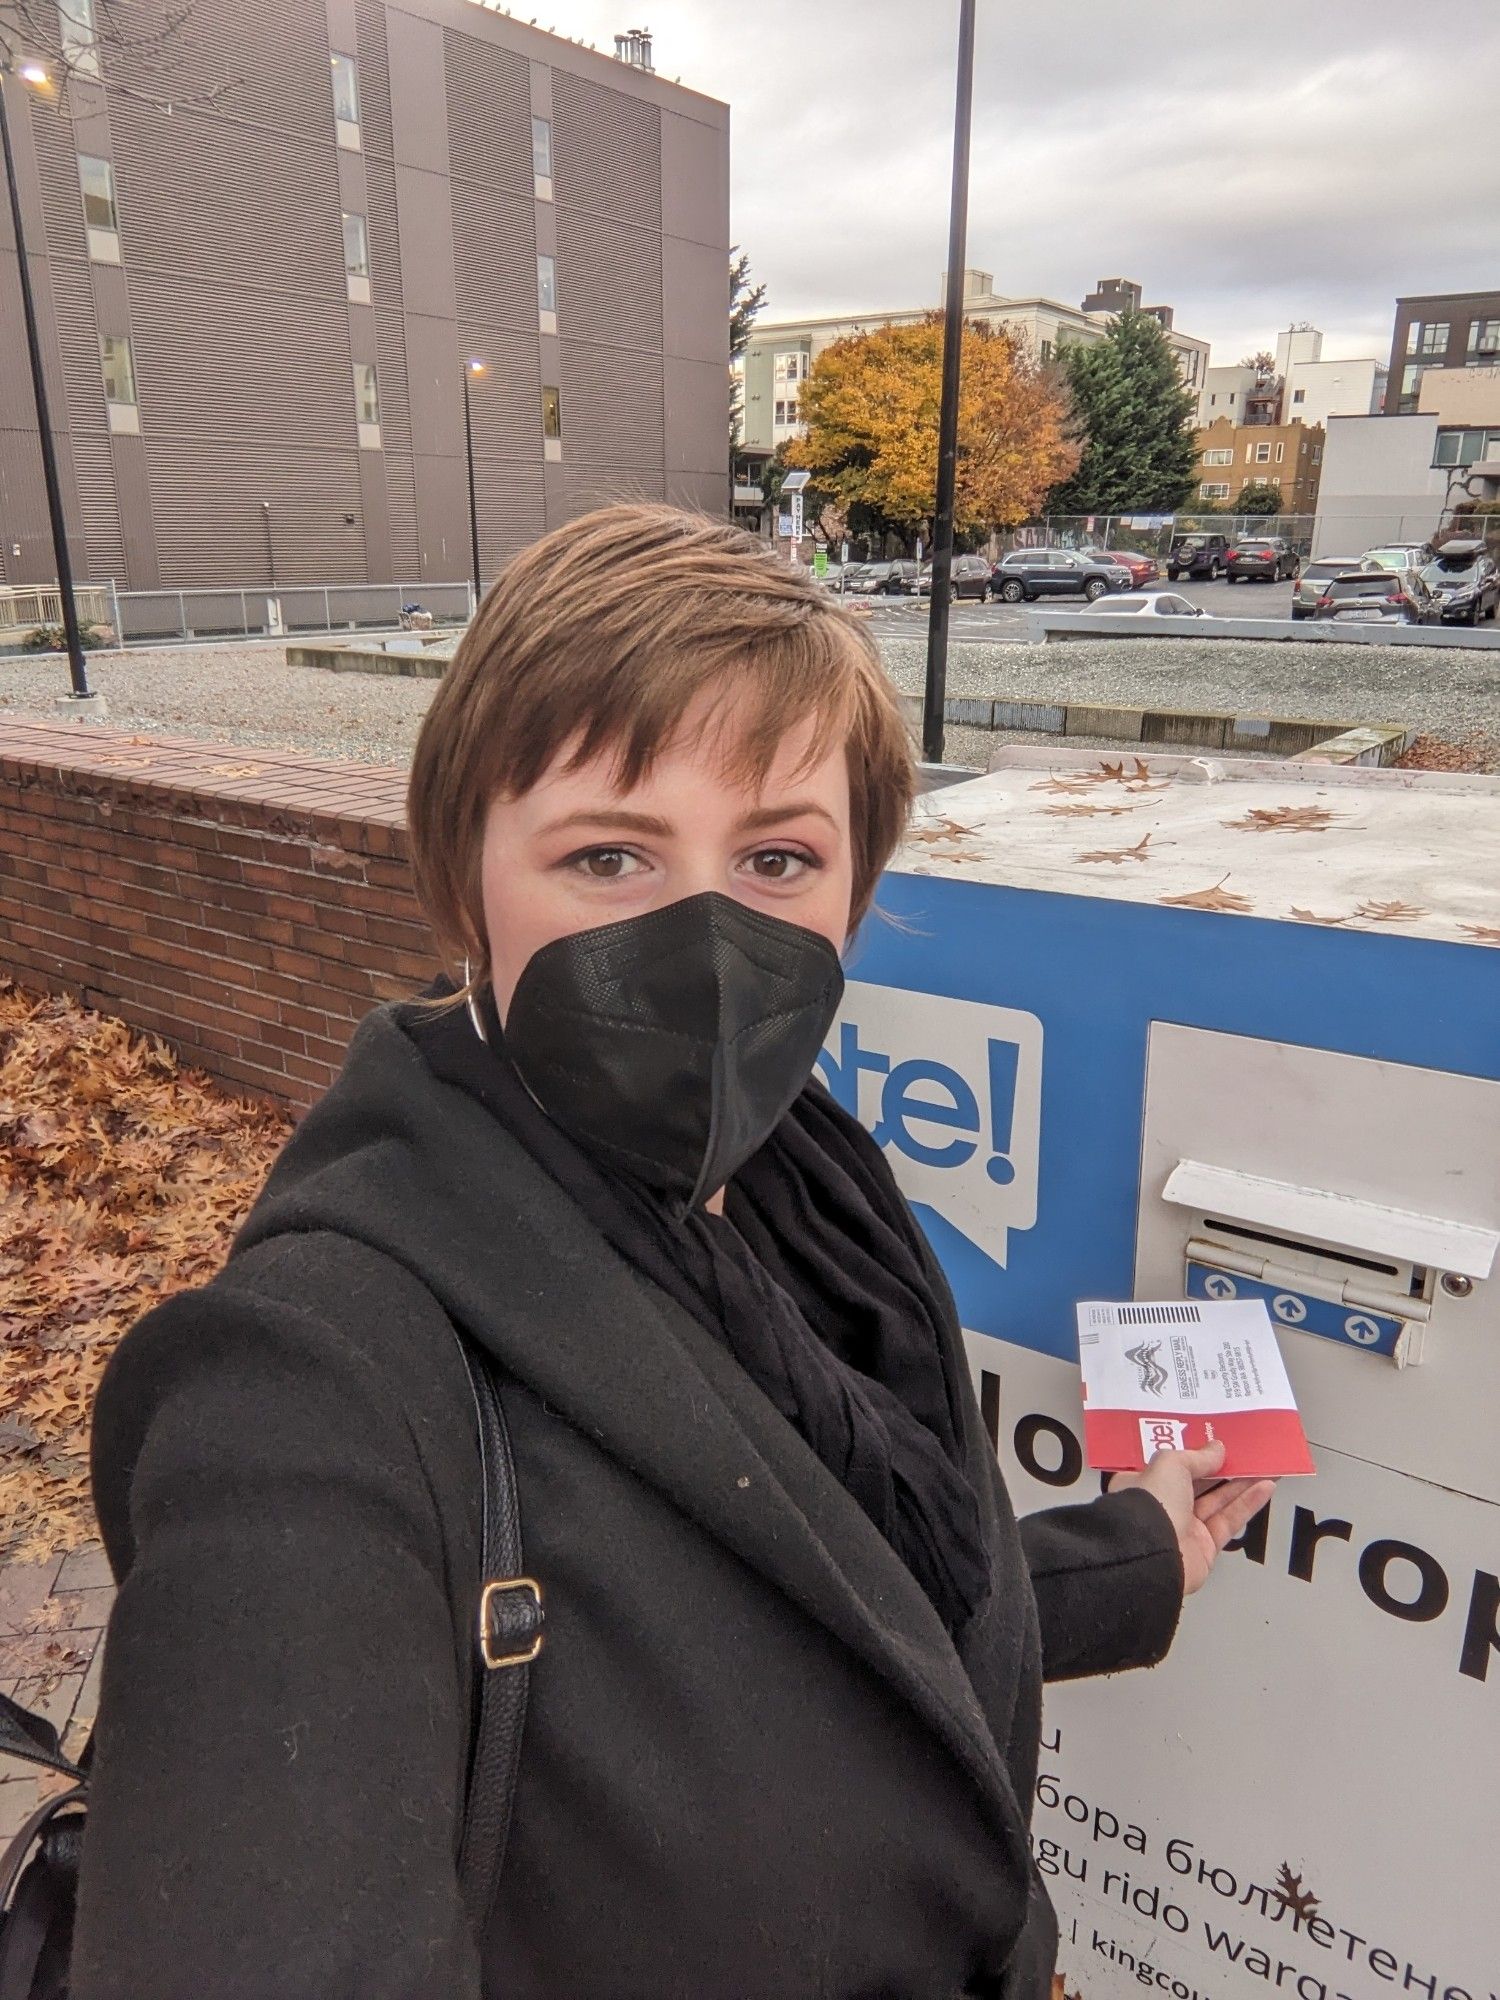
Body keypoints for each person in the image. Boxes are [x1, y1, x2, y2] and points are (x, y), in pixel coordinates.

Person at [72, 505, 1273, 1999]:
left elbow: (813, 1595)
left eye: (776, 858)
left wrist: (1130, 1559)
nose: (708, 939)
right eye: (610, 855)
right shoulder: (314, 1390)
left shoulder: (819, 1217)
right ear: (468, 887)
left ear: (856, 891)